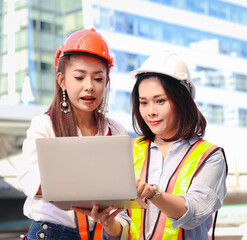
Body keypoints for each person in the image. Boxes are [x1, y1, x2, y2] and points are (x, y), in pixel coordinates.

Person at [77, 50, 228, 239]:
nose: (150, 112)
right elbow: (123, 224)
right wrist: (109, 223)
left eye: (160, 101)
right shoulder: (129, 150)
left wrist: (154, 194)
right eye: (143, 102)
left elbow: (193, 214)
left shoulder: (209, 156)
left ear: (183, 101)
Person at [18, 28, 130, 240]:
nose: (89, 87)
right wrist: (99, 184)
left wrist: (111, 221)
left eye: (98, 79)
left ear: (106, 82)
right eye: (79, 77)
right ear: (61, 80)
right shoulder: (44, 125)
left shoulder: (116, 131)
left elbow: (121, 205)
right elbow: (31, 182)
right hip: (50, 233)